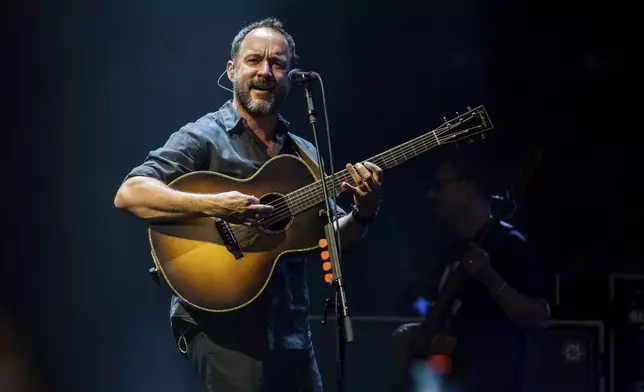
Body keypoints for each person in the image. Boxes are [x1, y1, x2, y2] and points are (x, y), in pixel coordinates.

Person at [113, 18, 383, 392]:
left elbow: (330, 237)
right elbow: (131, 193)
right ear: (232, 70)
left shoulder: (304, 154)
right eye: (254, 60)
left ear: (290, 76)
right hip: (222, 327)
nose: (265, 72)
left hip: (292, 334)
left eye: (278, 64)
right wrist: (217, 205)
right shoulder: (203, 136)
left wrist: (365, 211)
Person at [391, 152, 550, 392]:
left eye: (440, 186)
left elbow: (538, 316)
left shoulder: (509, 244)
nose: (432, 195)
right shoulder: (451, 249)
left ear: (466, 188)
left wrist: (489, 276)